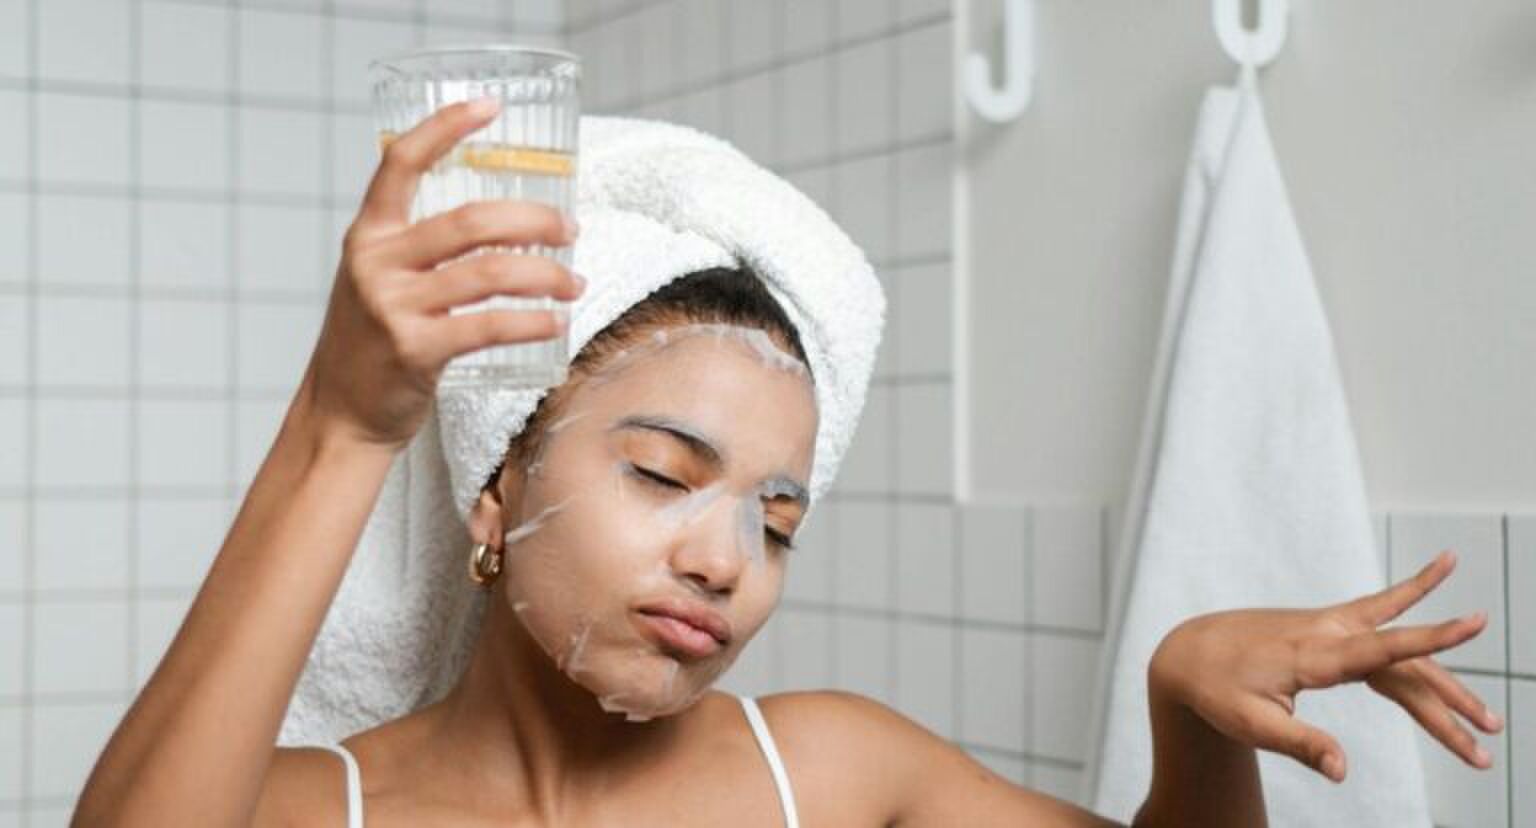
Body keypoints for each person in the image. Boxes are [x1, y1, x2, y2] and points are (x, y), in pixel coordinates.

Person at [72, 100, 1503, 827]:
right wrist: (346, 419)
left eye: (777, 522)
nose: (727, 563)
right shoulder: (320, 806)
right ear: (496, 487)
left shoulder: (824, 771)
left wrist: (1185, 708)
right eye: (661, 473)